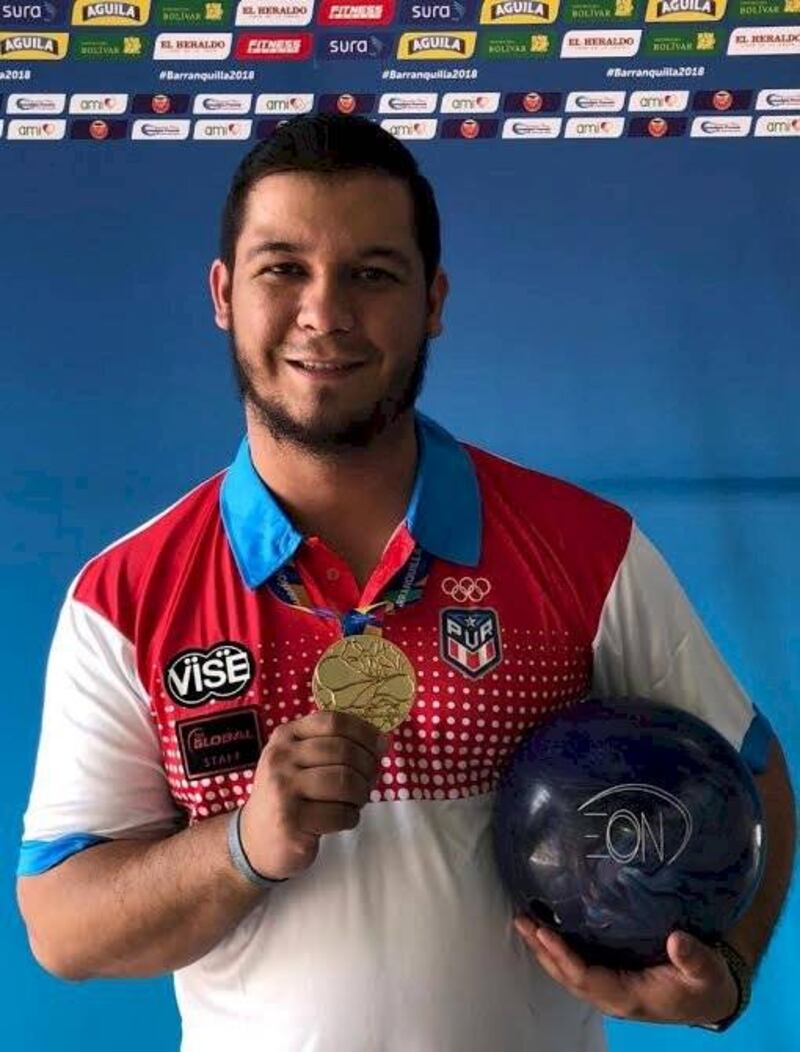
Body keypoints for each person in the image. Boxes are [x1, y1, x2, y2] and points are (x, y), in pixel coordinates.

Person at [17, 115, 795, 1052]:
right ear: (224, 294)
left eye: (373, 274)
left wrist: (728, 973)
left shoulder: (587, 550)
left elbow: (750, 772)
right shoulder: (127, 597)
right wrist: (242, 846)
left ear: (433, 300)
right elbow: (62, 926)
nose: (325, 313)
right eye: (283, 269)